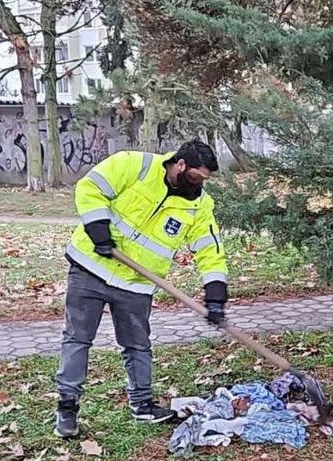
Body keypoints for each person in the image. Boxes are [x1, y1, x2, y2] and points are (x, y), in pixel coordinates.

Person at [53, 140, 228, 438]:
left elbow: (209, 248)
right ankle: (67, 409)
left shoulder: (200, 204)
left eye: (205, 180)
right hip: (90, 269)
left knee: (137, 345)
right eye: (197, 178)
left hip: (136, 284)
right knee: (77, 339)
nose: (199, 186)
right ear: (181, 165)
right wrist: (98, 227)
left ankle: (143, 405)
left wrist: (215, 295)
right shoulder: (134, 165)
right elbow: (90, 187)